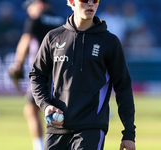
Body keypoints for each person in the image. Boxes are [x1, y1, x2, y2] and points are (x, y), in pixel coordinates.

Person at [29, 0, 136, 150]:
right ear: (71, 2)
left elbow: (123, 88)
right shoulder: (53, 37)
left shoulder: (109, 42)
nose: (91, 4)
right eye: (85, 0)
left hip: (91, 127)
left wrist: (129, 133)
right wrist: (45, 105)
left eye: (95, 0)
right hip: (56, 127)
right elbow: (37, 75)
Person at [8, 0, 65, 150]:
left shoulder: (35, 19)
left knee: (31, 109)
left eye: (30, 7)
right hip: (63, 71)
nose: (28, 11)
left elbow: (26, 40)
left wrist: (17, 64)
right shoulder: (63, 20)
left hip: (44, 71)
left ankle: (40, 147)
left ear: (39, 4)